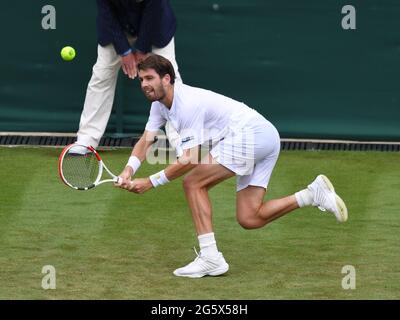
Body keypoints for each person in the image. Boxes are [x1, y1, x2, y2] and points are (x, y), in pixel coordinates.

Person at [116, 54, 348, 278]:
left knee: (193, 183)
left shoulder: (187, 103)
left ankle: (210, 258)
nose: (144, 84)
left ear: (166, 78)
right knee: (250, 218)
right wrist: (129, 170)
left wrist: (150, 182)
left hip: (252, 134)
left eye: (149, 78)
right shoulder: (159, 106)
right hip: (265, 137)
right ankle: (311, 194)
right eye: (141, 80)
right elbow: (146, 140)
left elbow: (190, 157)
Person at [76, 0, 181, 149]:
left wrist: (141, 49)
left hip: (155, 25)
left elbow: (154, 10)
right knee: (101, 76)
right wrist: (124, 51)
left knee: (170, 79)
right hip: (116, 25)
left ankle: (182, 140)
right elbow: (106, 12)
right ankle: (86, 141)